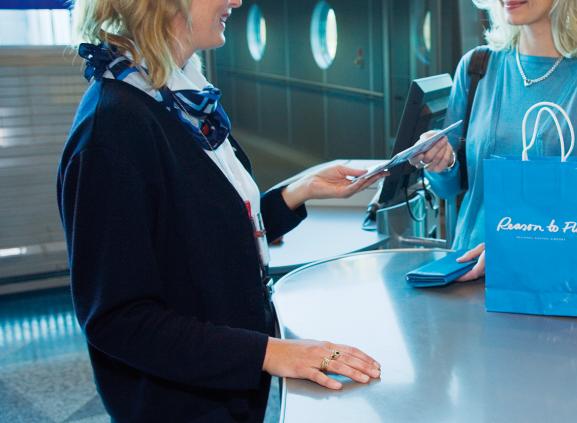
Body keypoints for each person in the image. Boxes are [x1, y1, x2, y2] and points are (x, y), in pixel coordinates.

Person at [58, 1, 382, 421]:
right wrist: (272, 352)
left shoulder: (178, 102)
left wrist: (299, 191)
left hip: (222, 387)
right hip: (178, 405)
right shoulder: (112, 130)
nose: (236, 1)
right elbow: (119, 319)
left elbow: (201, 235)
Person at [408, 0, 577, 284]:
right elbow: (450, 188)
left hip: (559, 283)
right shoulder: (477, 67)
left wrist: (519, 244)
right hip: (469, 271)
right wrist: (440, 162)